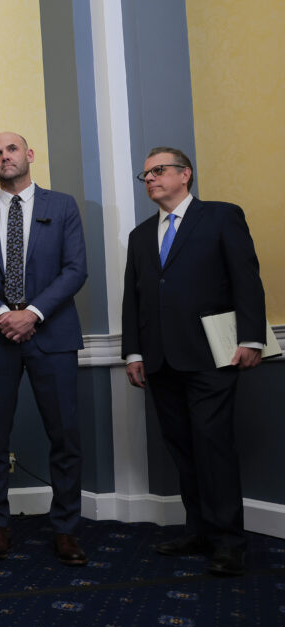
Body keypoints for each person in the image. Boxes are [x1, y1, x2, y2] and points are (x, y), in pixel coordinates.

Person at [122, 147, 265, 577]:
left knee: (213, 446)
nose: (149, 178)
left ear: (185, 175)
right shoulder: (140, 235)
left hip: (211, 357)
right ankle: (199, 530)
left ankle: (228, 542)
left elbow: (246, 279)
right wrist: (133, 351)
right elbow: (135, 299)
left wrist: (252, 337)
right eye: (145, 174)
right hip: (160, 361)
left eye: (158, 170)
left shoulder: (221, 216)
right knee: (182, 449)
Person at [0, 132, 88, 566]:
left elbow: (75, 270)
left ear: (28, 156)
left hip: (52, 334)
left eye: (11, 150)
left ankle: (66, 529)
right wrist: (0, 315)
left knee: (64, 436)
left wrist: (31, 313)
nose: (3, 157)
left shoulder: (62, 206)